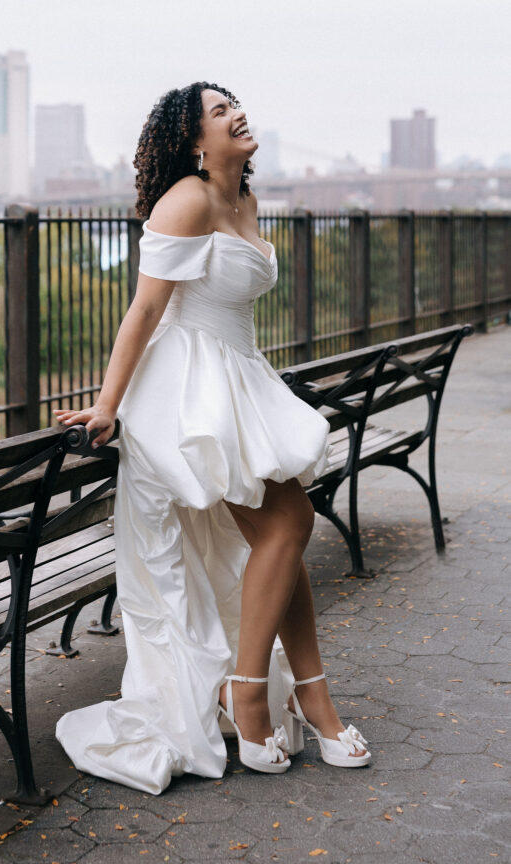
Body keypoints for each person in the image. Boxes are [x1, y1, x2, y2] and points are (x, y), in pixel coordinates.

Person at [54, 82, 369, 794]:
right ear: (196, 140)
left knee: (284, 527)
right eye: (219, 110)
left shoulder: (246, 202)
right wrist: (108, 405)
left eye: (235, 103)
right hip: (186, 389)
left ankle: (299, 692)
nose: (236, 113)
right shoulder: (187, 199)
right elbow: (144, 310)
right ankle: (254, 689)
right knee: (289, 520)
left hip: (237, 376)